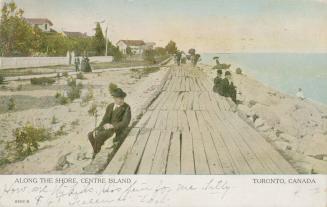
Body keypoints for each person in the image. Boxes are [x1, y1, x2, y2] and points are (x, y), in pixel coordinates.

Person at [88, 87, 131, 157]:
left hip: (117, 129)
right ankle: (96, 149)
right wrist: (99, 128)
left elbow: (125, 122)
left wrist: (112, 126)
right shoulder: (110, 106)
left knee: (99, 136)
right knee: (90, 134)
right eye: (119, 98)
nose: (121, 100)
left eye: (122, 98)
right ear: (114, 98)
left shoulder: (126, 108)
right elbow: (105, 119)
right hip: (108, 127)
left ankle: (95, 153)